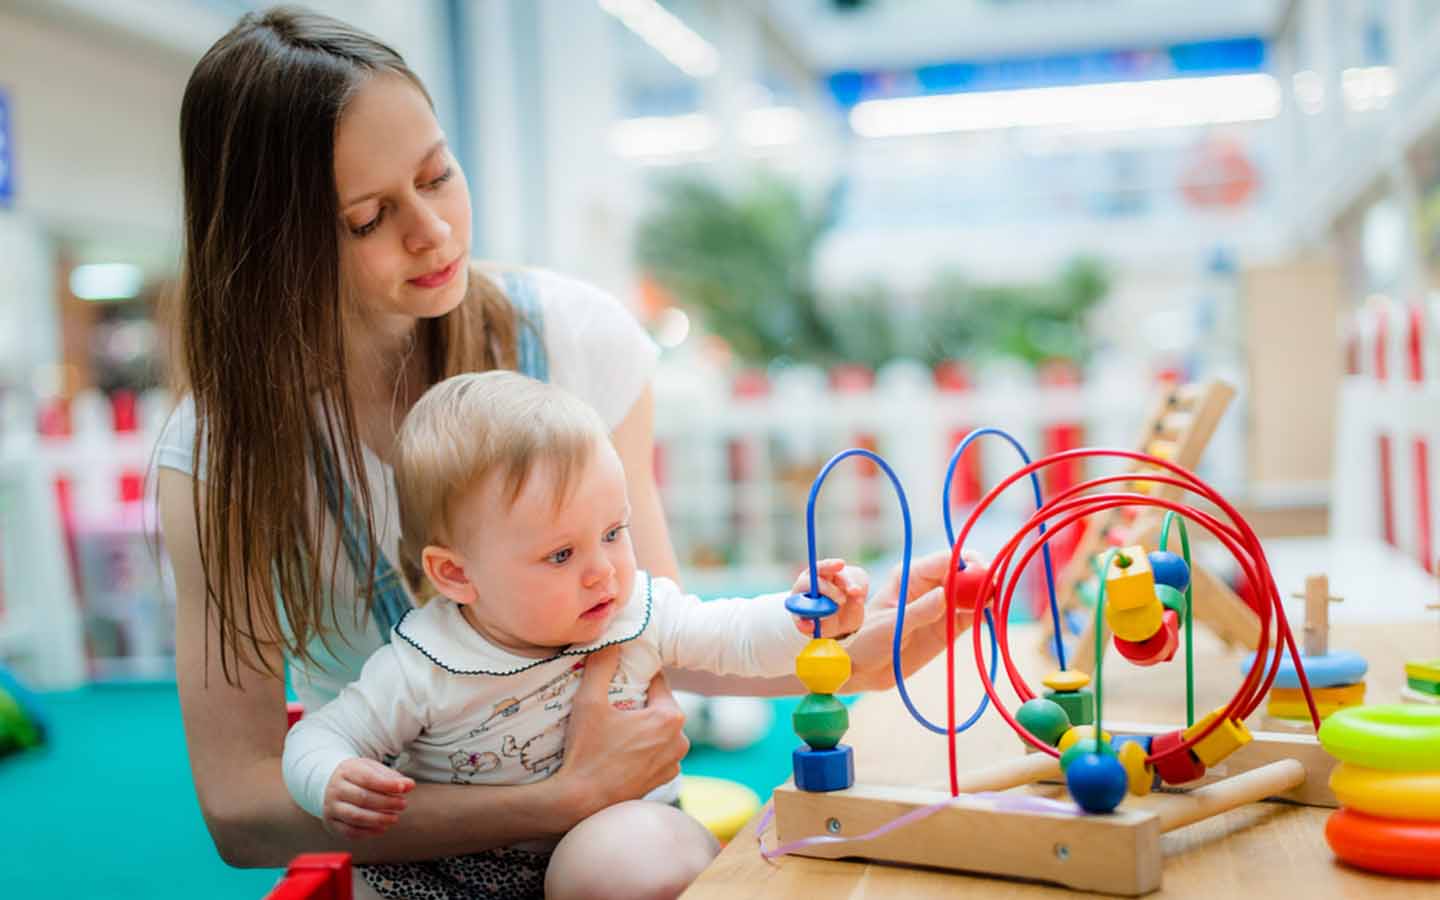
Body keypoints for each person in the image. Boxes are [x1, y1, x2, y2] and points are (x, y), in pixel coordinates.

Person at [156, 5, 983, 890]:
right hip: (423, 869)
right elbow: (241, 812)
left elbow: (660, 627)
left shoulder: (579, 338)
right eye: (367, 218)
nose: (432, 231)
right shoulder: (218, 455)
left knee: (626, 869)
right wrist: (555, 795)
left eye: (439, 175)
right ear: (274, 244)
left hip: (614, 833)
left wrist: (847, 643)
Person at [282, 371, 867, 899]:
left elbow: (734, 635)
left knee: (644, 858)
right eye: (561, 554)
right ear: (457, 575)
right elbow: (320, 735)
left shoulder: (632, 611)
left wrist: (804, 617)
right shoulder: (425, 664)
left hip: (612, 853)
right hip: (448, 876)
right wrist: (330, 776)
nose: (603, 571)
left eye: (614, 532)